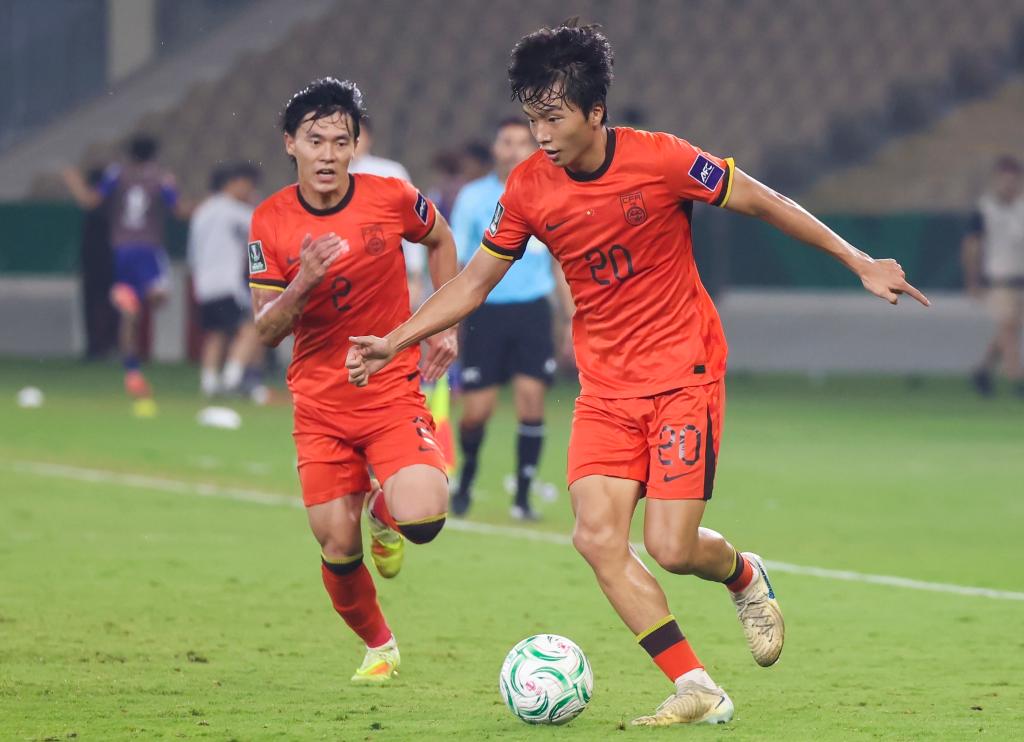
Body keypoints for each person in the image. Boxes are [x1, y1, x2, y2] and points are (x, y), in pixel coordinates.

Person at [346, 22, 929, 725]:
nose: (540, 136)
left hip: (684, 373)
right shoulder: (528, 188)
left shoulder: (663, 160)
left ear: (595, 111)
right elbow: (474, 281)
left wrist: (859, 260)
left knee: (670, 548)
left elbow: (765, 201)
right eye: (532, 119)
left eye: (553, 118)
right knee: (595, 537)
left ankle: (744, 574)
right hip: (605, 389)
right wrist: (395, 341)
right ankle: (696, 686)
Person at [248, 77, 458, 683]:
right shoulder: (270, 221)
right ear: (290, 143)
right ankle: (380, 645)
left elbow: (441, 238)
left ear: (356, 146)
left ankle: (384, 512)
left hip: (389, 388)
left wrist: (442, 323)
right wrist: (304, 281)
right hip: (320, 404)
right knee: (337, 546)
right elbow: (265, 331)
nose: (328, 154)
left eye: (341, 142)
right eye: (315, 141)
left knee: (424, 516)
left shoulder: (392, 197)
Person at [448, 118, 570, 520]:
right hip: (486, 311)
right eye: (507, 141)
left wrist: (571, 318)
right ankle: (466, 477)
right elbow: (460, 263)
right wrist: (450, 320)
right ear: (495, 148)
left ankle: (523, 496)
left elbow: (559, 262)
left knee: (532, 402)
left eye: (522, 141)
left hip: (532, 310)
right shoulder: (473, 197)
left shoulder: (550, 191)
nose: (514, 149)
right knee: (477, 411)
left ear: (533, 148)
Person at [63, 135, 189, 403]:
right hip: (149, 248)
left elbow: (89, 201)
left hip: (121, 249)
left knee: (129, 313)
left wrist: (73, 180)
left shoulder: (116, 175)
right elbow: (178, 211)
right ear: (154, 154)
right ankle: (145, 298)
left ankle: (131, 367)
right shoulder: (161, 178)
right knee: (160, 296)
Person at [187, 163, 266, 400]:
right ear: (234, 183)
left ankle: (209, 381)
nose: (249, 191)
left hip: (203, 283)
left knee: (216, 333)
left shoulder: (202, 211)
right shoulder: (234, 211)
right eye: (248, 186)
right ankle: (233, 377)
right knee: (252, 328)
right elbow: (260, 231)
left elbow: (192, 253)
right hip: (227, 282)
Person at [962, 155, 1024, 396]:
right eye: (1005, 180)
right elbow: (972, 246)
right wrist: (973, 280)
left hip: (1021, 278)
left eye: (1013, 180)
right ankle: (1017, 378)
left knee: (1010, 329)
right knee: (1008, 327)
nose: (1009, 185)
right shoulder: (985, 210)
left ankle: (983, 370)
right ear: (997, 180)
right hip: (999, 281)